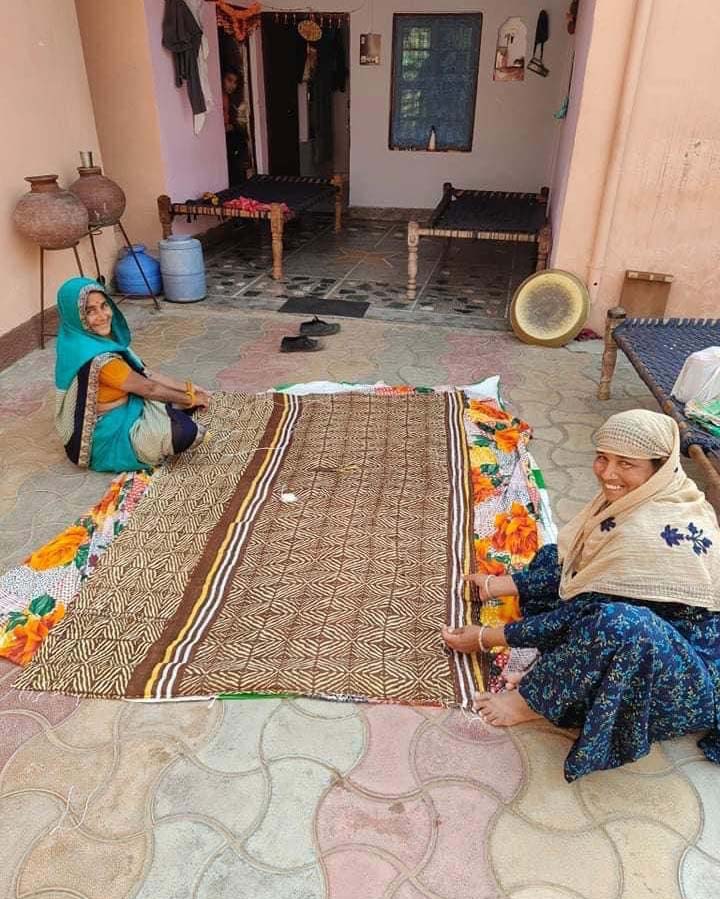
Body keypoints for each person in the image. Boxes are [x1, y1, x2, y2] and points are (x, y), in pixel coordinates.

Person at [443, 409, 720, 781]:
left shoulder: (653, 532)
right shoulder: (659, 495)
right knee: (562, 554)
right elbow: (581, 571)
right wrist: (505, 585)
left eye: (626, 464)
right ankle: (550, 660)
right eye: (602, 457)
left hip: (685, 679)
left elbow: (587, 612)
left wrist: (486, 637)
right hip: (662, 635)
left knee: (618, 625)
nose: (608, 473)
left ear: (660, 466)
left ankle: (531, 703)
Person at [54, 277, 211, 473]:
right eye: (89, 311)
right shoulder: (100, 358)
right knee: (185, 432)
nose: (102, 316)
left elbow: (146, 373)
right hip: (108, 434)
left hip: (128, 404)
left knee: (171, 401)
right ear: (75, 316)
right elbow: (149, 388)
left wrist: (188, 388)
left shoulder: (79, 340)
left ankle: (170, 411)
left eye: (104, 306)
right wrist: (190, 398)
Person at [222, 66, 250, 185]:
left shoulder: (227, 97)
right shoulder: (219, 96)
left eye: (235, 82)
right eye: (229, 80)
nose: (232, 85)